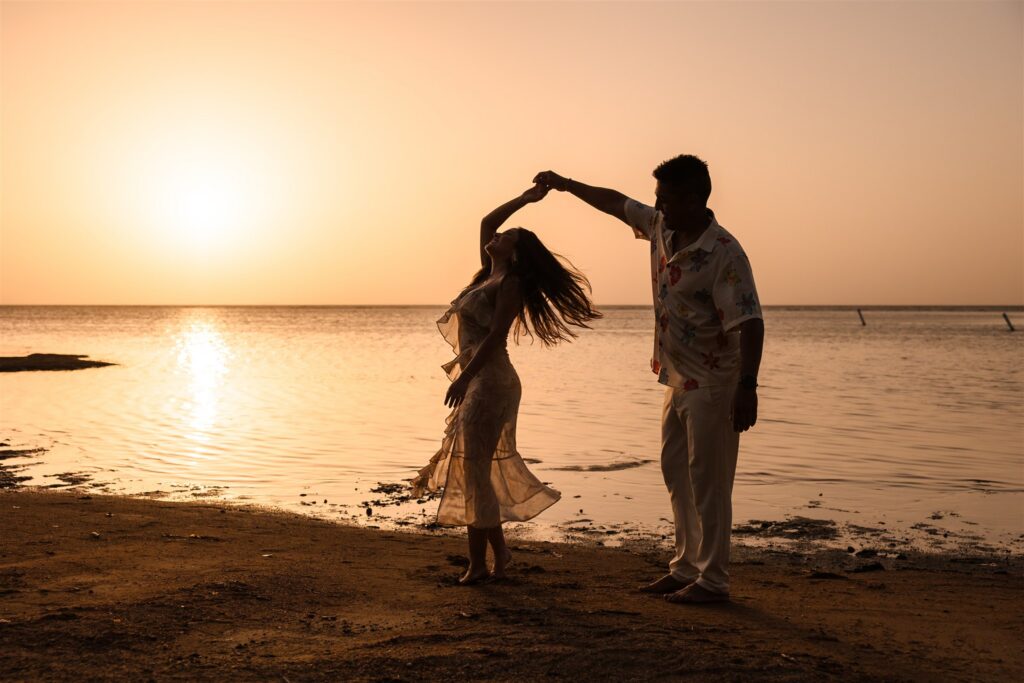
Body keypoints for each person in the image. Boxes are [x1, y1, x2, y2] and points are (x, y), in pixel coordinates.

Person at [534, 155, 764, 604]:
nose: (657, 205)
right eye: (657, 197)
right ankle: (685, 568)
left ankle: (714, 581)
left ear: (694, 199)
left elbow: (750, 321)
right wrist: (565, 183)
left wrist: (748, 386)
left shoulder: (723, 253)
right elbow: (616, 203)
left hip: (716, 385)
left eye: (666, 197)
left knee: (710, 480)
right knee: (677, 473)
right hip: (675, 379)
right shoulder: (663, 227)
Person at [411, 183, 601, 585]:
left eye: (507, 236)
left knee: (474, 469)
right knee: (475, 468)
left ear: (515, 252)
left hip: (492, 380)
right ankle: (499, 557)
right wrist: (525, 199)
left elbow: (497, 335)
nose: (498, 236)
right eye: (501, 234)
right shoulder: (487, 273)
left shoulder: (509, 282)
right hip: (482, 379)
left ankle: (480, 564)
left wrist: (463, 378)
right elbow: (487, 221)